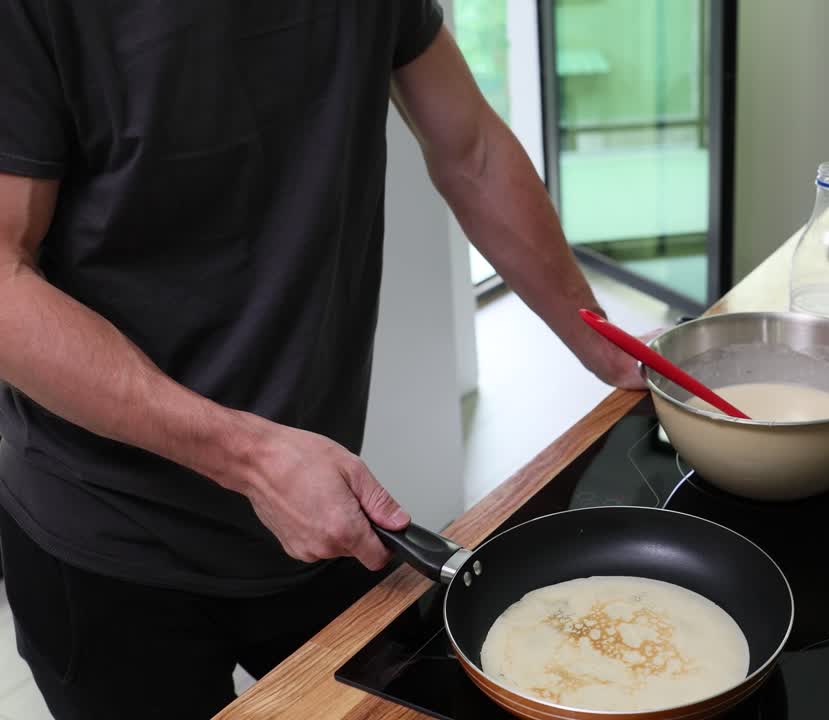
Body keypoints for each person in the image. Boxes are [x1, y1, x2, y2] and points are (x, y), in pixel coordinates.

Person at [0, 2, 645, 718]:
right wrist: (248, 457)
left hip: (319, 504)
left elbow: (473, 152)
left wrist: (606, 347)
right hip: (108, 537)